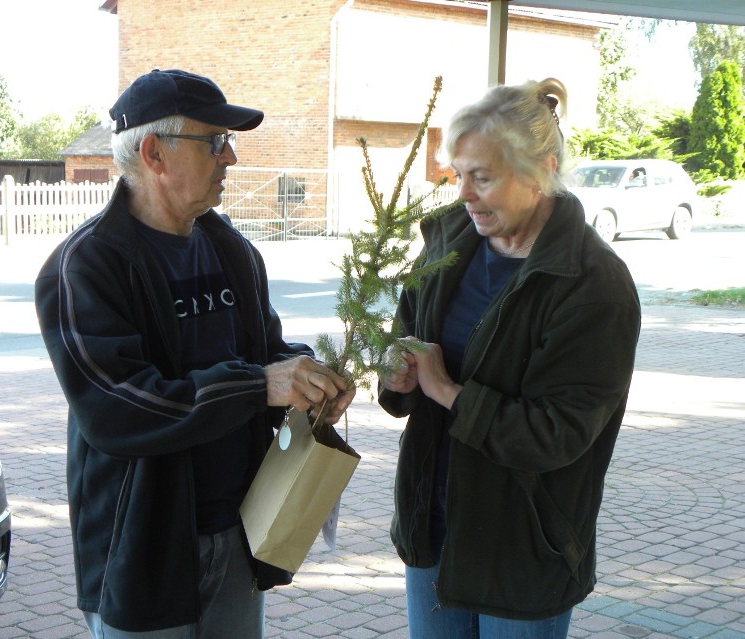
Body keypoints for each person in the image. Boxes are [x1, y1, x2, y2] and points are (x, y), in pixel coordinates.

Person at [34, 68, 354, 639]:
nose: (229, 158)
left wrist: (308, 378)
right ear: (154, 153)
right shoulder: (85, 266)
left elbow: (266, 351)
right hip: (144, 548)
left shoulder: (231, 249)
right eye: (215, 142)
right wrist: (261, 386)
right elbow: (120, 409)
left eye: (228, 143)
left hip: (240, 529)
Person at [378, 78, 641, 638]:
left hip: (523, 544)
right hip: (434, 527)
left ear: (541, 170)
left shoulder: (593, 285)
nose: (464, 193)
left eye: (483, 177)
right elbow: (406, 330)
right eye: (459, 174)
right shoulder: (449, 240)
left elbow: (557, 434)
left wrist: (447, 390)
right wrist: (397, 373)